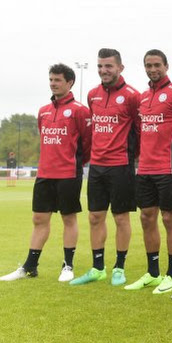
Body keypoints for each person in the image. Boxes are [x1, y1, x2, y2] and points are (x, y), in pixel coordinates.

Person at [0, 64, 91, 282]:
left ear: (70, 83)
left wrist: (75, 162)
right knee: (39, 218)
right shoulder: (43, 111)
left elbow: (88, 144)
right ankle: (30, 266)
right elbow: (45, 138)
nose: (53, 83)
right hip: (45, 173)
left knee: (69, 219)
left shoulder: (80, 110)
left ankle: (68, 266)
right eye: (51, 79)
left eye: (57, 80)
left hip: (68, 173)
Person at [124, 49, 172, 294]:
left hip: (167, 168)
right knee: (146, 217)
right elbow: (139, 130)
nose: (152, 69)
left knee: (169, 219)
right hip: (144, 168)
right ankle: (153, 273)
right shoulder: (143, 97)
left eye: (157, 65)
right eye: (148, 65)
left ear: (166, 66)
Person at [69, 48, 140, 287]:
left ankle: (119, 267)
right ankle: (97, 267)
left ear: (120, 68)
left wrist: (131, 157)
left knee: (121, 218)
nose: (103, 70)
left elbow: (140, 131)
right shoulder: (92, 95)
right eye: (100, 66)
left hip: (121, 165)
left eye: (108, 66)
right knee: (94, 216)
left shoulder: (132, 96)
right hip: (97, 167)